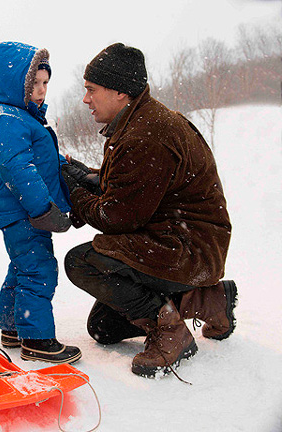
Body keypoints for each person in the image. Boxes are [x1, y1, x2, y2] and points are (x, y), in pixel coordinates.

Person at [61, 43, 237, 378]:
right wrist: (87, 176)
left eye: (91, 90)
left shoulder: (147, 134)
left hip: (190, 246)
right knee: (104, 328)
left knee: (82, 262)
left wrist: (74, 193)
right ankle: (209, 300)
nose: (86, 99)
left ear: (119, 92)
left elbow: (117, 217)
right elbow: (133, 186)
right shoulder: (140, 122)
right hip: (171, 239)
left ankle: (170, 332)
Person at [0, 41, 81, 364]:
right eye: (33, 83)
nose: (41, 90)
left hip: (23, 212)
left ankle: (13, 328)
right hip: (25, 212)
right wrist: (43, 209)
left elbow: (39, 161)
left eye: (45, 83)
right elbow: (17, 169)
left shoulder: (22, 119)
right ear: (12, 84)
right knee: (39, 269)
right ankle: (37, 339)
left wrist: (70, 169)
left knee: (22, 266)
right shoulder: (8, 119)